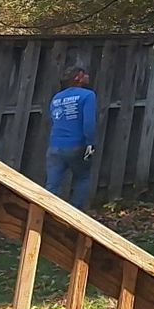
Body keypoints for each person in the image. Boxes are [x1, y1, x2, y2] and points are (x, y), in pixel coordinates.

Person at [46, 65, 97, 208]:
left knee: (52, 186)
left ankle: (48, 215)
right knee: (82, 178)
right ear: (79, 77)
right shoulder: (88, 95)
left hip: (55, 146)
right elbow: (89, 123)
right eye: (85, 74)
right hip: (76, 144)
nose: (88, 76)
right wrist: (90, 143)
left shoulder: (57, 98)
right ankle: (76, 215)